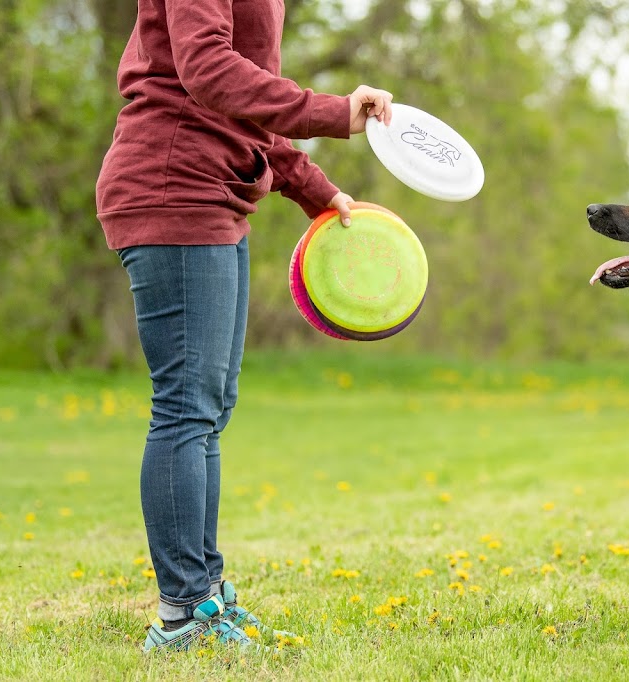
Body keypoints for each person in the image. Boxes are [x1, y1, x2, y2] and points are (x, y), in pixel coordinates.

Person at [95, 0, 393, 652]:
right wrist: (334, 111)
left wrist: (314, 186)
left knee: (209, 406)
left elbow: (244, 106)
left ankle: (204, 592)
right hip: (172, 184)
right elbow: (207, 72)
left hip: (217, 190)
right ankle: (182, 615)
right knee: (185, 407)